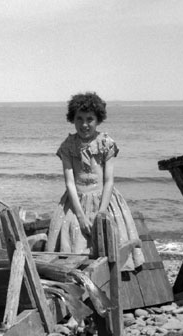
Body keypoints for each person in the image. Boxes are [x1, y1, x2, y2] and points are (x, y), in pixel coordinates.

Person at [46, 91, 144, 270]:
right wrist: (81, 216)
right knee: (73, 230)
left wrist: (101, 212)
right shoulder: (68, 146)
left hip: (104, 200)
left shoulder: (106, 143)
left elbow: (108, 181)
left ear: (98, 120)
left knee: (109, 233)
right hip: (76, 201)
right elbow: (69, 183)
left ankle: (111, 275)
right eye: (79, 119)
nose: (84, 124)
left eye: (89, 119)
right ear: (72, 119)